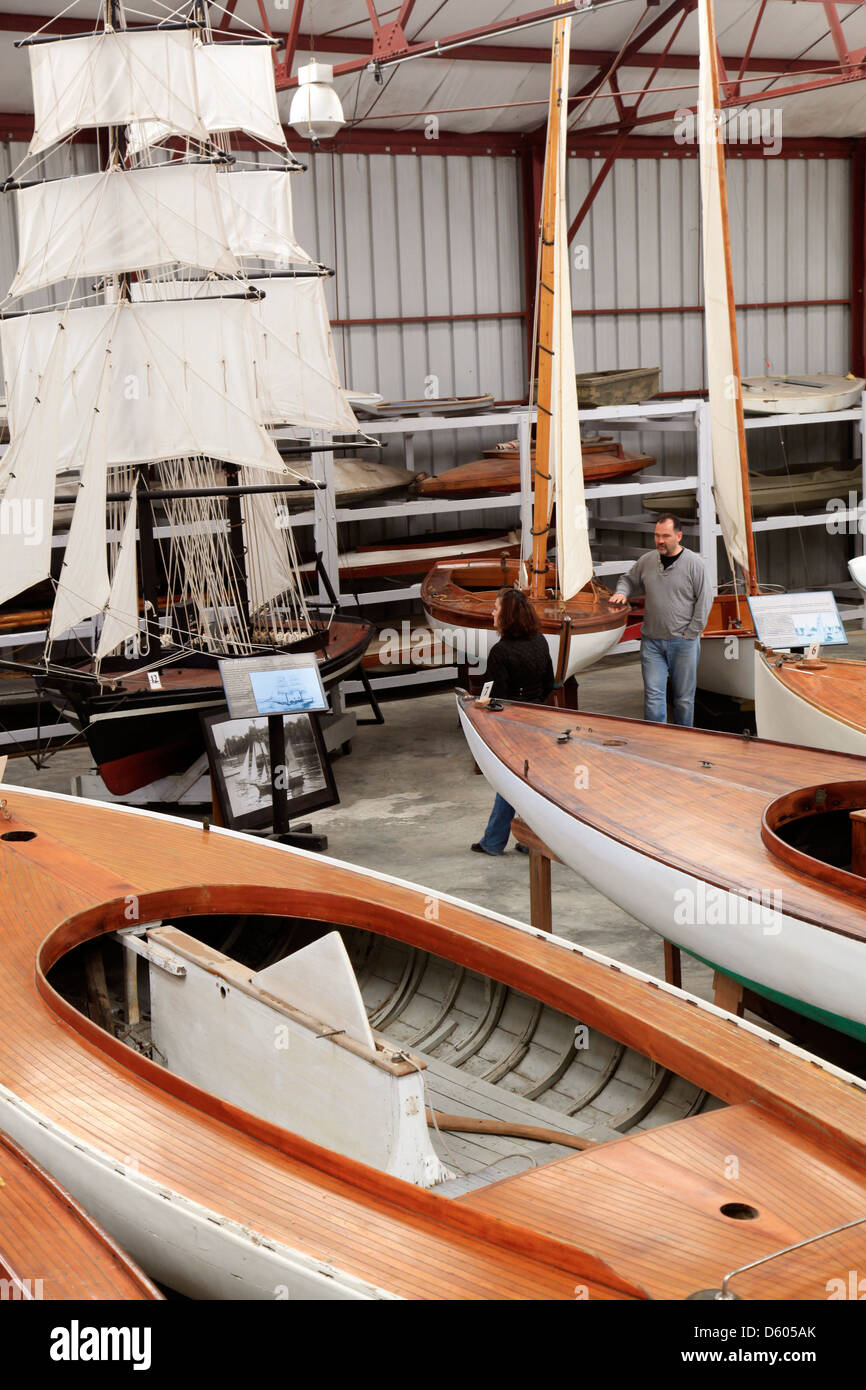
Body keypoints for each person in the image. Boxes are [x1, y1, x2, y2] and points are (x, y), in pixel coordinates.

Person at [471, 587, 554, 855]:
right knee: (528, 783)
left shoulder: (500, 651)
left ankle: (494, 842)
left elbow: (495, 696)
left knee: (509, 782)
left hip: (513, 727)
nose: (492, 613)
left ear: (506, 616)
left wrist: (476, 708)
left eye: (496, 609)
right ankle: (527, 840)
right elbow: (549, 682)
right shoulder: (540, 640)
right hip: (539, 721)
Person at [609, 513, 712, 727]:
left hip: (683, 642)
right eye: (657, 536)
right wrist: (622, 592)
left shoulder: (695, 564)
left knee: (683, 700)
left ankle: (684, 741)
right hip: (652, 643)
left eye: (665, 535)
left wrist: (691, 633)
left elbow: (705, 600)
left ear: (679, 536)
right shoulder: (647, 561)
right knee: (654, 699)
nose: (660, 541)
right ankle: (656, 747)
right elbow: (627, 579)